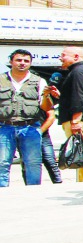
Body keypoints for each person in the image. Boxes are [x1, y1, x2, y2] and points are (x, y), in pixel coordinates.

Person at [0, 49, 51, 187]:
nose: (22, 63)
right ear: (11, 62)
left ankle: (33, 195)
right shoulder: (1, 79)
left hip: (30, 127)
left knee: (33, 163)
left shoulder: (39, 81)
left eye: (26, 61)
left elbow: (46, 108)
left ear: (30, 63)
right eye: (18, 60)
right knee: (2, 163)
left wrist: (47, 96)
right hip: (4, 127)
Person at [50, 47, 83, 182]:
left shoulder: (79, 72)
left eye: (63, 55)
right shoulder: (78, 72)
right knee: (79, 158)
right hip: (82, 120)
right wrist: (61, 96)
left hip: (81, 121)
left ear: (76, 56)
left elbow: (79, 98)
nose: (61, 58)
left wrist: (75, 121)